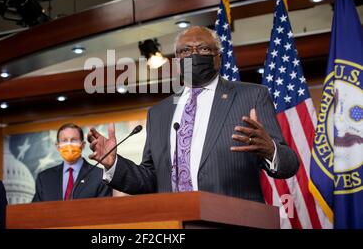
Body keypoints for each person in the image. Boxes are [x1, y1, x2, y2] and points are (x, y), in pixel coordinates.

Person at [88, 26, 300, 203]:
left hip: (233, 220)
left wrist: (271, 150)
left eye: (204, 49)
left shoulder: (251, 96)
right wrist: (114, 163)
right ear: (177, 62)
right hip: (175, 223)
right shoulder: (159, 113)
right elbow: (151, 179)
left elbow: (289, 165)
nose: (194, 54)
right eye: (185, 51)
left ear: (219, 58)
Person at [32, 123, 112, 202]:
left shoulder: (100, 176)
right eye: (64, 140)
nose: (69, 144)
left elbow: (105, 210)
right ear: (57, 146)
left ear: (83, 145)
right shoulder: (44, 178)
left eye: (73, 140)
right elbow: (34, 211)